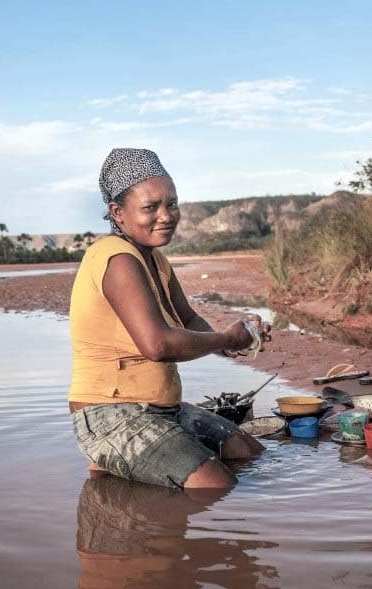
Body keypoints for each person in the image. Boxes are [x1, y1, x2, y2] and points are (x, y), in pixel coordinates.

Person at [69, 148, 270, 489]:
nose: (167, 215)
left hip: (162, 409)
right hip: (110, 414)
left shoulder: (155, 259)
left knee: (248, 451)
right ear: (118, 213)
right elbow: (158, 345)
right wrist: (225, 339)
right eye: (151, 207)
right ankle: (110, 460)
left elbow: (189, 319)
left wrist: (235, 338)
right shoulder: (116, 258)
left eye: (172, 204)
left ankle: (121, 471)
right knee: (217, 486)